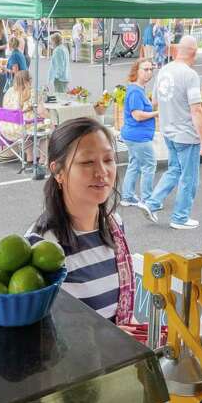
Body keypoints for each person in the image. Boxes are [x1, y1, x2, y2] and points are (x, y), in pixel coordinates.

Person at [27, 117, 135, 322]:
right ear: (58, 172)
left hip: (124, 352)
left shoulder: (114, 225)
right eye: (87, 162)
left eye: (108, 159)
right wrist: (112, 338)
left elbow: (122, 313)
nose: (102, 172)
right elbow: (42, 332)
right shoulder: (42, 246)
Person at [142, 36, 202, 230]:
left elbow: (154, 100)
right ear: (194, 53)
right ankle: (180, 217)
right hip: (186, 134)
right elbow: (196, 109)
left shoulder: (164, 70)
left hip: (168, 130)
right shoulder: (190, 75)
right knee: (189, 178)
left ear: (177, 50)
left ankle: (152, 203)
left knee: (174, 170)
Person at [120, 59, 158, 209]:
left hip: (133, 135)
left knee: (134, 164)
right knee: (149, 165)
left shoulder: (137, 89)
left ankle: (127, 196)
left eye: (150, 69)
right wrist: (157, 113)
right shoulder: (136, 91)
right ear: (136, 71)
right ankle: (147, 199)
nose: (149, 72)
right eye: (145, 69)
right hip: (138, 136)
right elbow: (137, 115)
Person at [0, 69, 44, 164]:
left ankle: (30, 157)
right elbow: (41, 111)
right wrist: (49, 120)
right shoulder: (32, 92)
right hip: (21, 129)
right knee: (46, 129)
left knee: (27, 125)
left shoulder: (9, 91)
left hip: (4, 128)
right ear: (27, 80)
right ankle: (43, 159)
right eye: (30, 79)